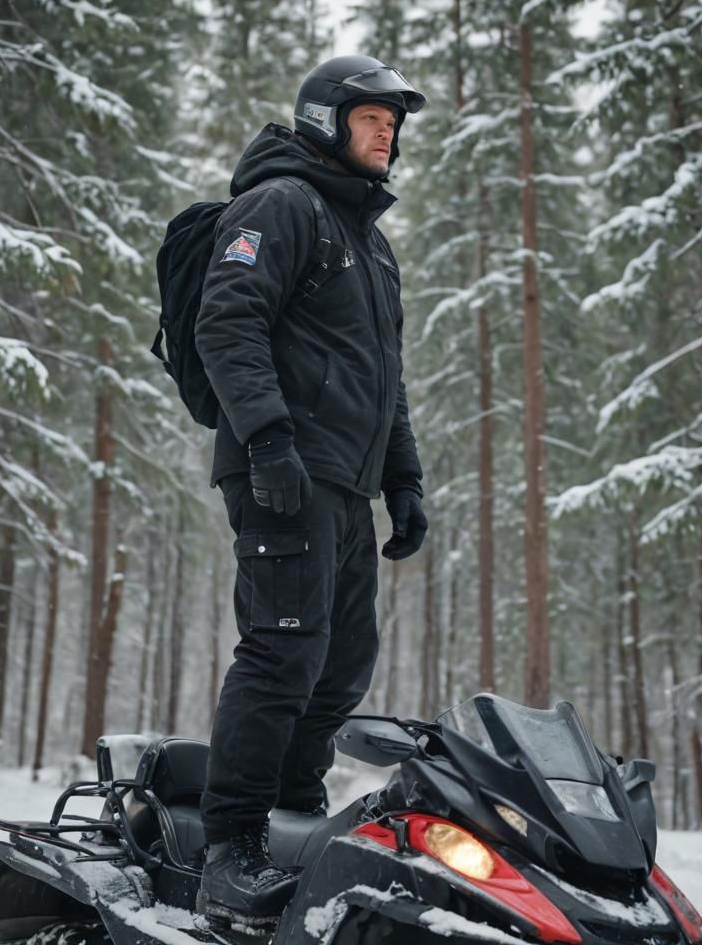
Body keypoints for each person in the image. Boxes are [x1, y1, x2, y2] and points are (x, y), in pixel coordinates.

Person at [193, 55, 428, 929]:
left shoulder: (370, 243)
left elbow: (384, 378)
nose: (387, 133)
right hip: (279, 468)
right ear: (325, 117)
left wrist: (402, 479)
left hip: (346, 482)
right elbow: (229, 318)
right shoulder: (282, 205)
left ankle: (290, 819)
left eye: (394, 123)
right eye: (372, 117)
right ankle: (231, 850)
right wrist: (268, 438)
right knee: (283, 650)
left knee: (342, 664)